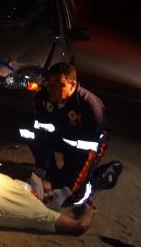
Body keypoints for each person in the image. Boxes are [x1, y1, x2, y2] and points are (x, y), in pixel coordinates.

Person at [18, 62, 110, 208]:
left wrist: (67, 190)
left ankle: (105, 176)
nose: (51, 89)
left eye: (58, 84)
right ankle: (52, 174)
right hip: (63, 135)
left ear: (72, 85)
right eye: (50, 83)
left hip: (86, 145)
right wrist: (41, 168)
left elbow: (87, 153)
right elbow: (41, 133)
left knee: (74, 196)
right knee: (30, 131)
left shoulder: (91, 107)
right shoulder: (43, 97)